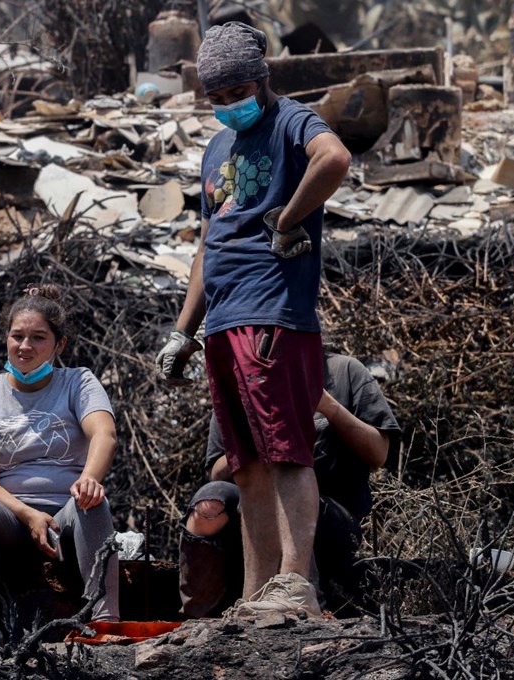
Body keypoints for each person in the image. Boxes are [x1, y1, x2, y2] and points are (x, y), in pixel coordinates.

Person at [154, 21, 352, 618]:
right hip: (222, 322)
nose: (226, 105)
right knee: (247, 465)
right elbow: (207, 243)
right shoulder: (217, 149)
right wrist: (182, 331)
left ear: (262, 79)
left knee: (287, 451)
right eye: (215, 97)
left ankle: (295, 581)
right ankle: (258, 591)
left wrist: (290, 220)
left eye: (236, 91)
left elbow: (335, 157)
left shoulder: (293, 120)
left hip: (273, 313)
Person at [0, 285, 120, 656]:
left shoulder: (78, 382)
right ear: (6, 340)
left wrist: (89, 478)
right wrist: (27, 514)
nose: (25, 346)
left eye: (38, 338)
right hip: (8, 517)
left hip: (66, 513)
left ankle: (104, 625)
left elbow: (103, 434)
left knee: (93, 501)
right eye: (17, 336)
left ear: (59, 345)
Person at [179, 352, 401, 617]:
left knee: (281, 493)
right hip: (253, 511)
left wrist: (328, 407)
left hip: (334, 518)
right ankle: (199, 616)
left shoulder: (344, 371)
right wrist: (254, 440)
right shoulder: (238, 383)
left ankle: (306, 600)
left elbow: (379, 452)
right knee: (210, 500)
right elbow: (216, 472)